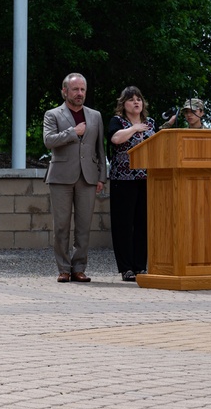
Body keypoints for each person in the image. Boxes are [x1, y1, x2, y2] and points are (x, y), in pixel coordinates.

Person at [43, 72, 107, 283]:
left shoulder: (95, 115)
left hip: (87, 177)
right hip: (61, 177)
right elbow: (49, 140)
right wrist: (73, 132)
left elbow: (100, 149)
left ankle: (79, 268)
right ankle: (63, 268)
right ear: (65, 91)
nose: (79, 93)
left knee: (83, 226)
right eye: (75, 89)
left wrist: (101, 177)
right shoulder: (53, 114)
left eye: (82, 90)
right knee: (61, 225)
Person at [107, 86, 155, 282]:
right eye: (131, 99)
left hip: (146, 179)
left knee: (143, 223)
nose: (136, 102)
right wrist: (134, 128)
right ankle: (126, 268)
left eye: (139, 99)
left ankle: (139, 266)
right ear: (123, 104)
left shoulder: (151, 123)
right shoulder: (118, 121)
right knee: (124, 225)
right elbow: (116, 139)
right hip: (123, 180)